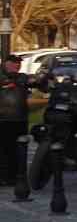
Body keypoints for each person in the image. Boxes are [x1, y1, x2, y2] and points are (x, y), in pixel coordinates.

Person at [0, 55, 30, 187]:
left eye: (18, 63)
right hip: (3, 119)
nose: (17, 66)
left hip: (19, 119)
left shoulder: (22, 77)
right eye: (14, 63)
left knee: (18, 149)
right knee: (3, 150)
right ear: (6, 63)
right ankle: (4, 177)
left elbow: (36, 82)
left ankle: (16, 176)